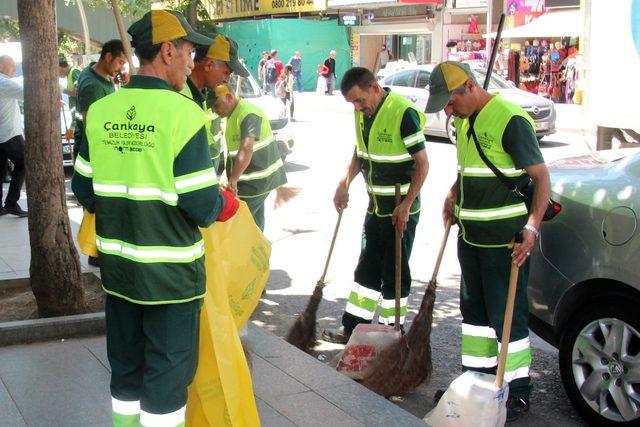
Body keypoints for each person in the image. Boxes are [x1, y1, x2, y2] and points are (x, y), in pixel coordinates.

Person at [71, 9, 239, 426]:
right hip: (171, 280)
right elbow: (201, 206)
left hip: (119, 275)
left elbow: (85, 190)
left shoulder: (103, 111)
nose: (191, 62)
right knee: (166, 382)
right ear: (167, 51)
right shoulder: (183, 116)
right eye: (187, 52)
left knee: (126, 377)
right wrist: (227, 204)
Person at [426, 61, 551, 422]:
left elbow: (541, 178)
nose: (449, 112)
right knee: (475, 316)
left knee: (505, 316)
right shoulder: (464, 123)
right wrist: (453, 194)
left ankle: (515, 388)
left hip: (504, 243)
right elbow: (471, 170)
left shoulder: (510, 120)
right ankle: (478, 381)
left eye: (450, 103)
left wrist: (532, 228)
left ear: (468, 86)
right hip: (471, 238)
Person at [322, 67, 428, 343]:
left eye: (360, 100)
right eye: (352, 103)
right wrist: (343, 183)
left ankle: (390, 333)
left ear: (375, 88)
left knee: (394, 273)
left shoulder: (403, 113)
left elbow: (423, 165)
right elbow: (360, 153)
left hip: (399, 211)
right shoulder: (362, 115)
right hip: (376, 206)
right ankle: (353, 329)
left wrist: (406, 203)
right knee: (366, 268)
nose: (358, 108)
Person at [212, 84, 287, 231]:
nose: (214, 110)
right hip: (256, 182)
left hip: (257, 182)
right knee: (254, 224)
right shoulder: (233, 114)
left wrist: (233, 180)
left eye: (216, 105)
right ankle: (257, 250)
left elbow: (246, 148)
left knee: (239, 224)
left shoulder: (248, 114)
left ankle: (250, 250)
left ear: (228, 97)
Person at [181, 34, 249, 173]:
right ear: (209, 65)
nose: (228, 80)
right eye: (226, 73)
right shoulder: (182, 96)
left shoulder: (199, 96)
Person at [73, 39, 127, 157]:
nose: (121, 69)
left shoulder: (93, 71)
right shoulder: (93, 87)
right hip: (93, 152)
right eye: (120, 63)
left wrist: (113, 82)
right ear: (108, 57)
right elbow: (92, 128)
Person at [0, 55, 28, 217]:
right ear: (1, 67)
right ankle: (11, 202)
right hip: (9, 133)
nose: (14, 69)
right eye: (11, 66)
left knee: (0, 171)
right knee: (25, 162)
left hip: (3, 133)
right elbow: (27, 92)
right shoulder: (3, 82)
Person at [58, 58, 82, 126]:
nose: (57, 74)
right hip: (77, 118)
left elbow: (77, 92)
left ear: (60, 67)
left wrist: (62, 89)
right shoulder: (69, 75)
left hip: (80, 117)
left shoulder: (74, 72)